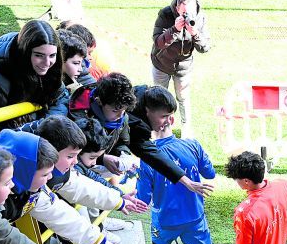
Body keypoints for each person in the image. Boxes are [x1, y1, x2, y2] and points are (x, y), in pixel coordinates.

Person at [137, 93, 221, 244]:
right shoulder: (192, 145)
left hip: (164, 221)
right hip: (194, 219)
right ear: (172, 121)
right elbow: (211, 174)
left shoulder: (147, 160)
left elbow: (143, 198)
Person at [79, 73, 212, 199]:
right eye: (164, 116)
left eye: (123, 111)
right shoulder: (83, 118)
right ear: (148, 110)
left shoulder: (124, 113)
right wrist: (102, 158)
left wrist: (122, 154)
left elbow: (133, 145)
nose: (169, 122)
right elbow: (78, 152)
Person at [0, 20, 69, 131]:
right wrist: (38, 130)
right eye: (39, 55)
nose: (47, 63)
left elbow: (61, 97)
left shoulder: (49, 71)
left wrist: (47, 126)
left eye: (52, 55)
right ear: (25, 52)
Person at [150, 0, 212, 137]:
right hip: (162, 63)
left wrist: (195, 34)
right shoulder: (165, 15)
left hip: (183, 66)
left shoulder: (200, 17)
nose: (187, 16)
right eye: (183, 12)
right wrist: (174, 30)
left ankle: (186, 128)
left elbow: (205, 47)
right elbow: (158, 42)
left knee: (183, 97)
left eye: (189, 12)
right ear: (177, 8)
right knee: (159, 97)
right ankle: (158, 128)